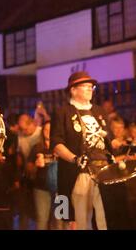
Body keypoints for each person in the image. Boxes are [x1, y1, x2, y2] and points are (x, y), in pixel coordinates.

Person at [50, 71, 112, 230]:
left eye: (91, 87)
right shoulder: (62, 112)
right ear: (73, 89)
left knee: (104, 217)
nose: (90, 89)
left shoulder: (99, 111)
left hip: (103, 171)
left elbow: (109, 140)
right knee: (79, 218)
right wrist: (74, 158)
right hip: (79, 171)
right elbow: (56, 143)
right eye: (85, 86)